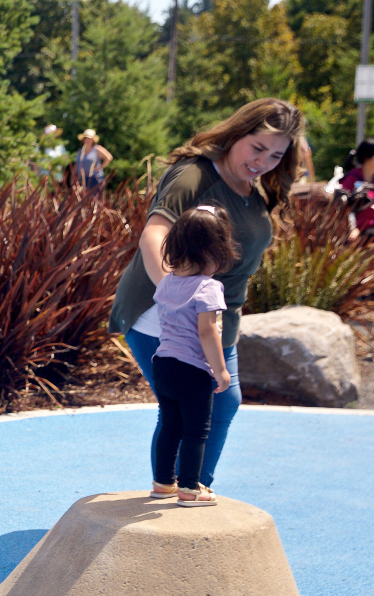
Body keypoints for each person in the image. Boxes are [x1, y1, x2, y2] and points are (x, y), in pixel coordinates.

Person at [109, 98, 304, 491]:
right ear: (236, 134)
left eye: (276, 154)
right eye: (258, 147)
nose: (263, 161)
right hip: (166, 314)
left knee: (220, 403)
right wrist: (173, 293)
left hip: (215, 314)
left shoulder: (252, 187)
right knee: (186, 407)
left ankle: (191, 488)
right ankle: (182, 493)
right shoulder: (195, 176)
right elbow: (155, 233)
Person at [148, 205, 238, 507]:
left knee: (170, 424)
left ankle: (163, 482)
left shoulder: (167, 283)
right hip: (192, 370)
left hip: (163, 365)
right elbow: (207, 332)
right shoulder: (209, 288)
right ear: (213, 251)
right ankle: (188, 488)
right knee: (197, 430)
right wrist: (221, 371)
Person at [338, 139, 374, 236]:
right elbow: (342, 205)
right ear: (367, 156)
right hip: (352, 229)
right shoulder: (352, 177)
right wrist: (352, 228)